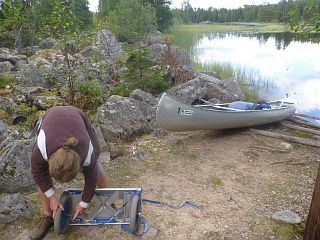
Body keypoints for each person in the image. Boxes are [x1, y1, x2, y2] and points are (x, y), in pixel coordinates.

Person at [30, 106, 107, 240]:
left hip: (77, 117)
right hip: (51, 119)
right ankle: (47, 215)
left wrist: (84, 203)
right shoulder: (41, 148)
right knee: (42, 177)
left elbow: (91, 178)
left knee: (95, 166)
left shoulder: (88, 150)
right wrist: (52, 198)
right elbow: (38, 173)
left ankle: (107, 199)